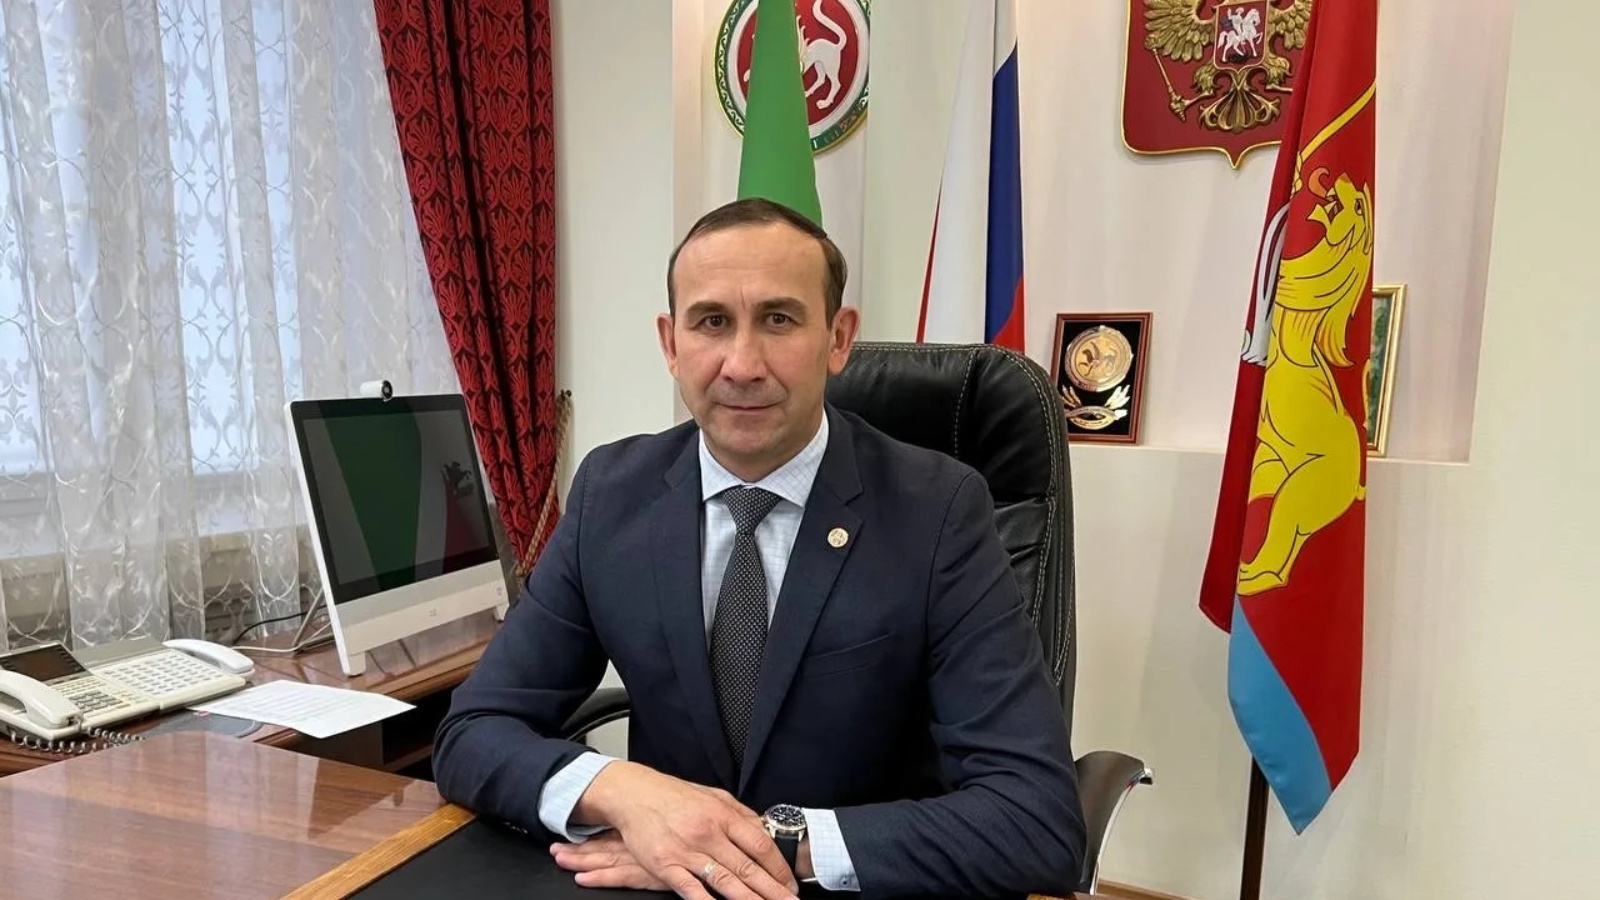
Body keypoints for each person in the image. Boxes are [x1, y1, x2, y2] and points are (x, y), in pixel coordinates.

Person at [432, 198, 1086, 900]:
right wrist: (623, 791)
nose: (742, 365)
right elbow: (472, 730)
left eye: (778, 319)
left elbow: (1036, 819)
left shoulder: (939, 510)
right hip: (660, 886)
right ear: (671, 343)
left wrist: (770, 844)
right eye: (712, 322)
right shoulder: (611, 494)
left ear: (839, 338)